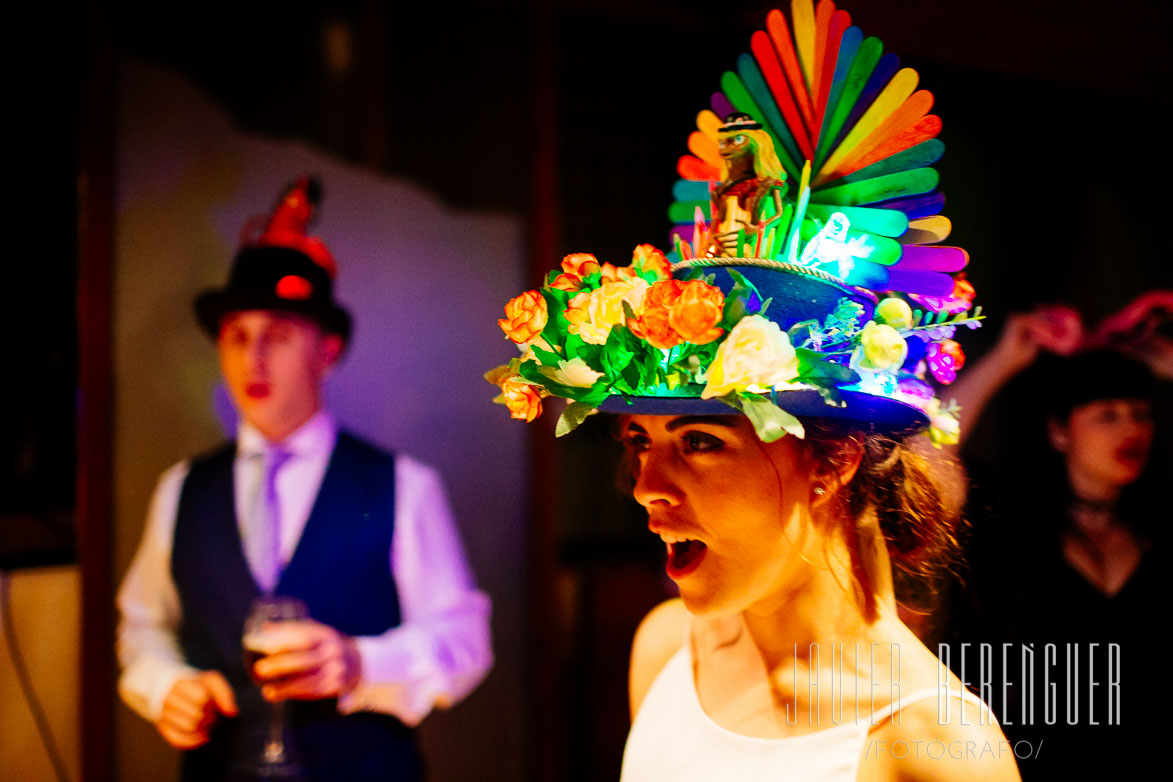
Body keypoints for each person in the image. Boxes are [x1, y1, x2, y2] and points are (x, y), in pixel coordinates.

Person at [117, 178, 492, 781]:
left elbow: (465, 641)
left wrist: (359, 664)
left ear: (328, 348)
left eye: (278, 336)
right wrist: (168, 686)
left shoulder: (402, 485)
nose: (251, 361)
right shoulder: (180, 488)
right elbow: (144, 628)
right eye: (237, 337)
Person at [941, 298, 1169, 779]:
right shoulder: (1005, 521)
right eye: (1107, 415)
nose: (1130, 429)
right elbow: (929, 454)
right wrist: (1006, 358)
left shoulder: (1156, 528)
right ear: (1059, 431)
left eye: (1140, 413)